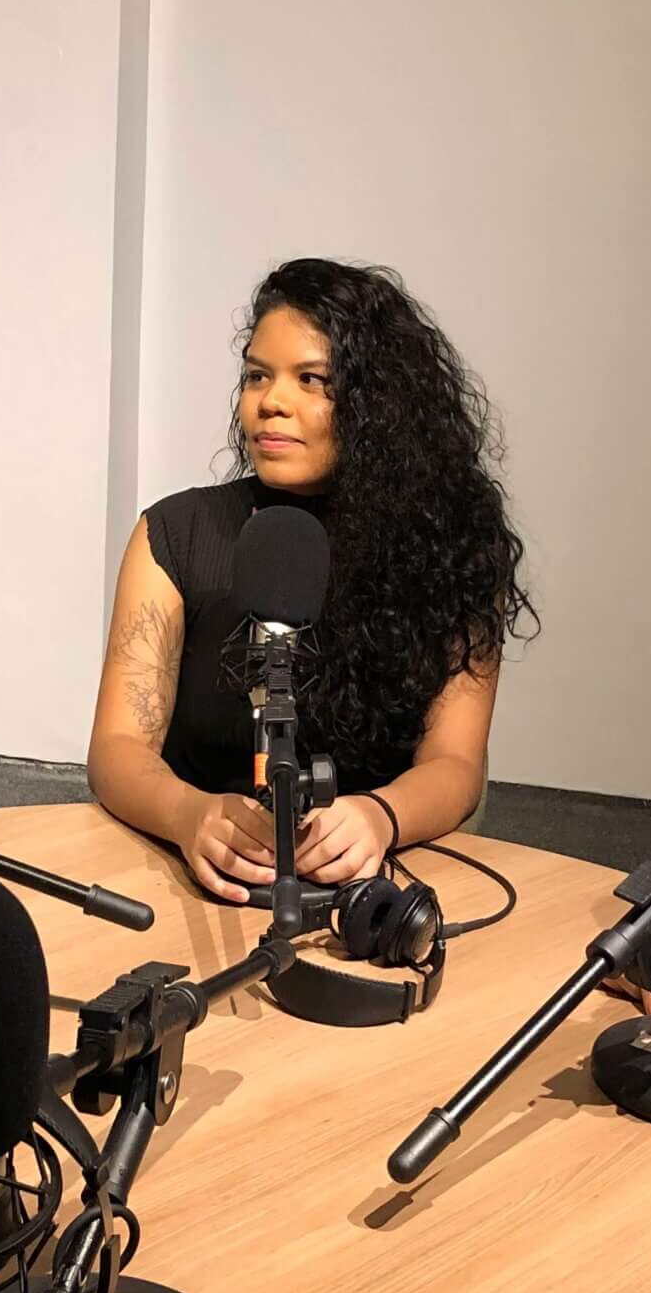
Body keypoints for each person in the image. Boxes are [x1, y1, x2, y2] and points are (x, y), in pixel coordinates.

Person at [88, 258, 535, 903]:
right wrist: (187, 815)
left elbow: (456, 763)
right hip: (193, 883)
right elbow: (119, 746)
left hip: (364, 891)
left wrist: (381, 816)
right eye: (257, 376)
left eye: (311, 380)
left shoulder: (454, 550)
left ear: (378, 403)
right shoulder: (175, 533)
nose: (271, 401)